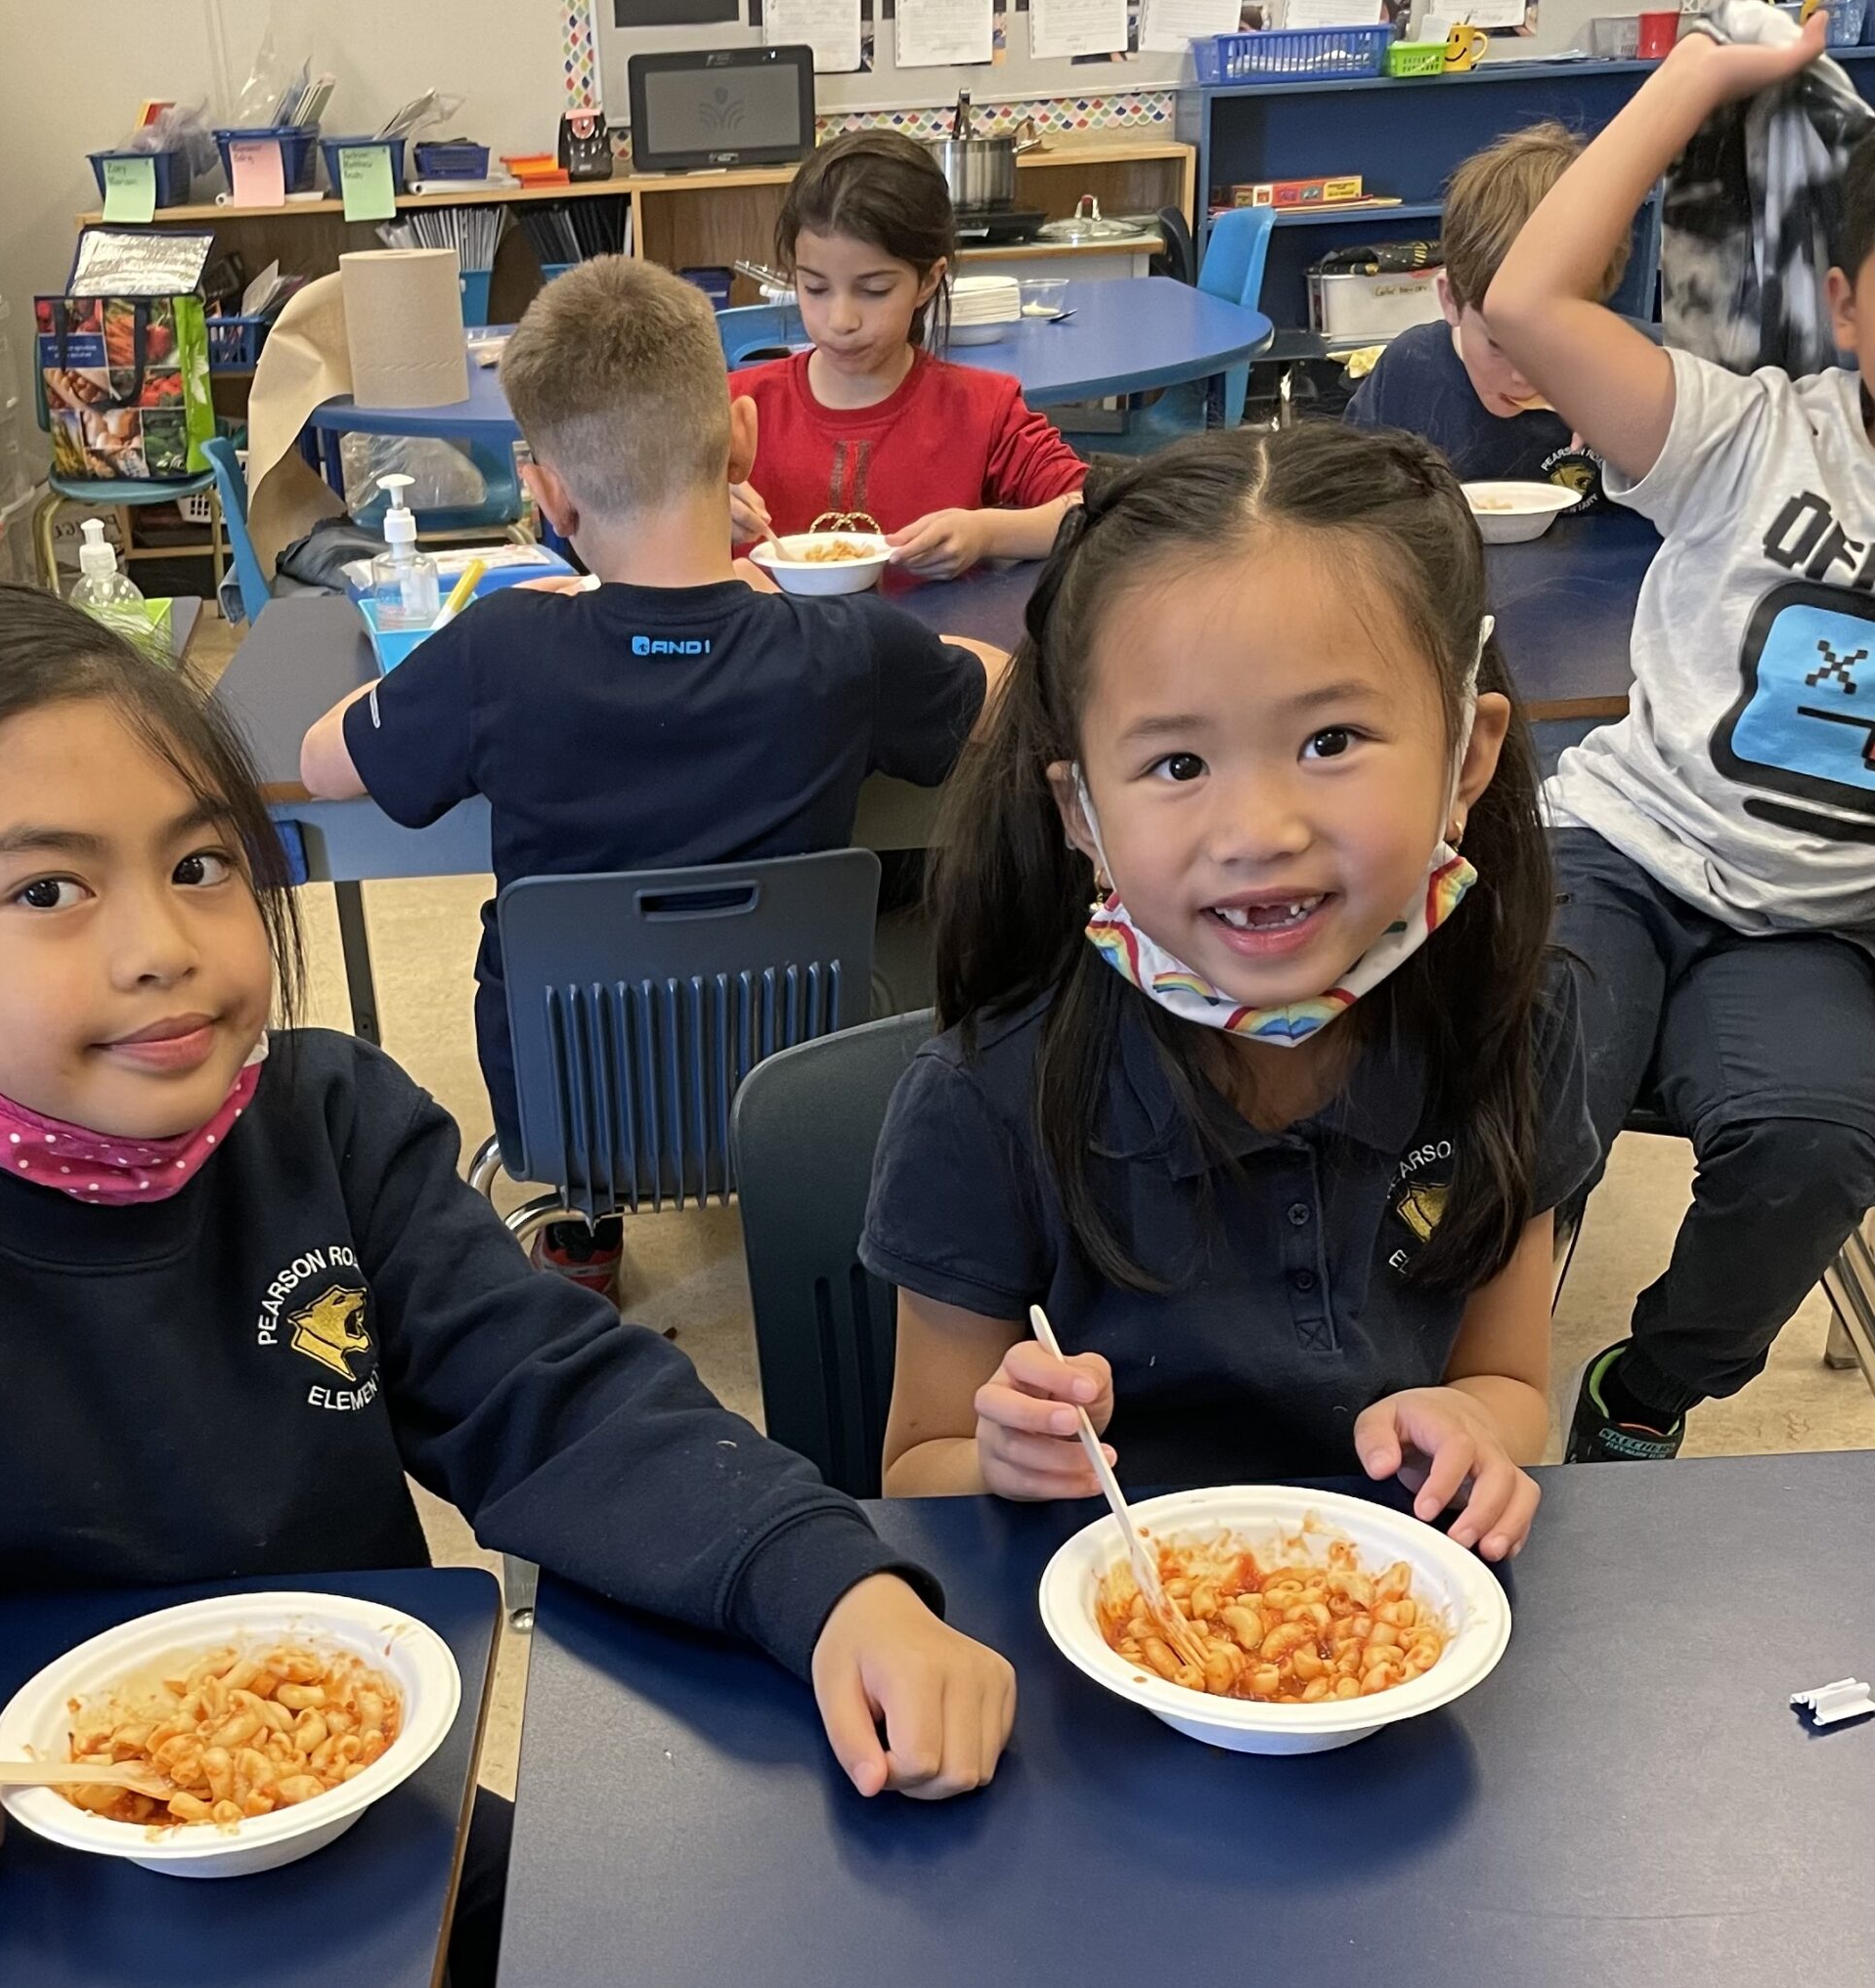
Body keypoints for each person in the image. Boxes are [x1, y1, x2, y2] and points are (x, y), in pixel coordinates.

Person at [0, 584, 1016, 1877]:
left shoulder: (333, 1132)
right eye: (47, 891)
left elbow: (561, 1402)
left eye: (203, 860)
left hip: (346, 1832)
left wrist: (823, 1579)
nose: (165, 945)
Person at [863, 428, 1598, 1560]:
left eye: (1330, 738)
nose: (1258, 833)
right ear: (1081, 816)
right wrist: (1002, 1455)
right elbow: (918, 1461)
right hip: (1100, 1631)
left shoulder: (1508, 1032)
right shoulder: (982, 1102)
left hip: (1380, 1622)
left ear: (1466, 759)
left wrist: (1471, 1423)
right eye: (1176, 765)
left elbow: (1503, 1377)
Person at [298, 256, 1005, 1290]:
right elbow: (992, 690)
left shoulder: (495, 651)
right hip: (788, 1089)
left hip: (567, 1101)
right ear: (744, 444)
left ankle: (588, 1219)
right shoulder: (843, 650)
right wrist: (777, 590)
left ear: (546, 492)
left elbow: (322, 765)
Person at [1483, 17, 1875, 1460]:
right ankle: (1466, 1390)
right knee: (1528, 1095)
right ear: (1843, 306)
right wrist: (1700, 75)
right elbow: (1528, 301)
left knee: (1815, 1142)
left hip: (1815, 931)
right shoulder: (1752, 434)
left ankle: (1637, 1400)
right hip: (1622, 856)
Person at [728, 129, 1087, 582]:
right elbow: (621, 524)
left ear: (929, 281)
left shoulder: (981, 410)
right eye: (814, 287)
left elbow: (1093, 509)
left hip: (939, 647)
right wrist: (693, 513)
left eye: (875, 290)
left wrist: (989, 533)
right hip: (772, 650)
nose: (841, 319)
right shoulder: (738, 408)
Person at [1345, 124, 1628, 500]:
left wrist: (1647, 449)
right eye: (1499, 344)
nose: (1522, 376)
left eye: (1555, 344)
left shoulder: (1638, 377)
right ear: (1451, 300)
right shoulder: (1409, 373)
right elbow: (1350, 506)